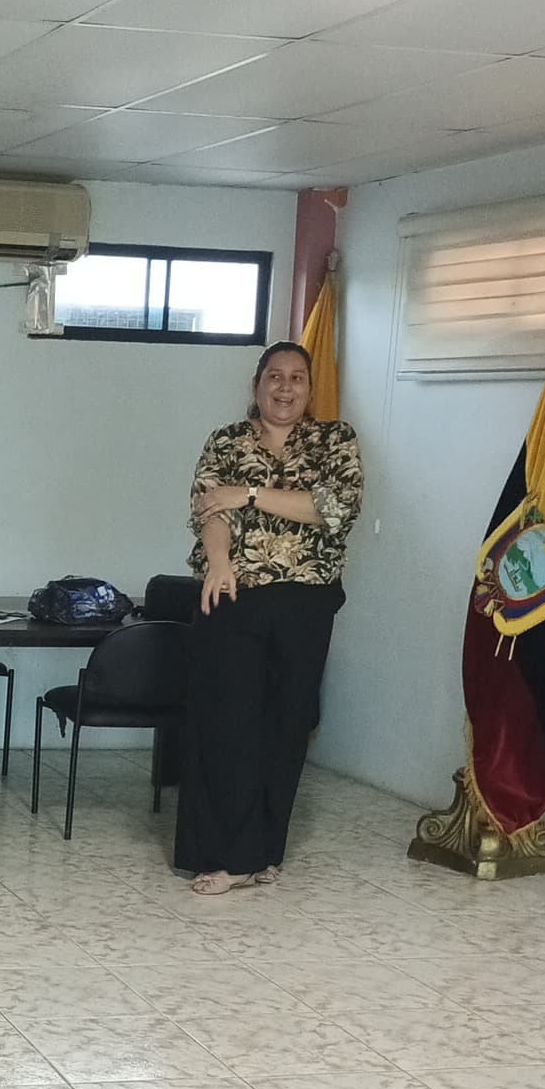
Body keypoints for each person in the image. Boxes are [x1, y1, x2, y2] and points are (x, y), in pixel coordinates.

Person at [175, 341, 364, 896]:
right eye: (274, 376)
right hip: (233, 595)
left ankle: (263, 853)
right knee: (227, 726)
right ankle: (224, 856)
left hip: (306, 601)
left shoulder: (335, 441)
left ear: (310, 389)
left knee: (287, 726)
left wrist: (251, 493)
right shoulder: (226, 440)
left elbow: (334, 509)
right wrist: (219, 562)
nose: (285, 387)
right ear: (256, 384)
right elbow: (210, 508)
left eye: (296, 378)